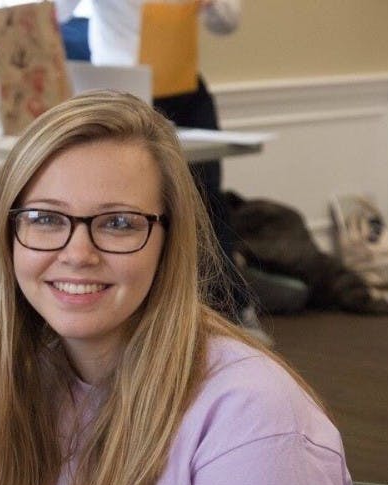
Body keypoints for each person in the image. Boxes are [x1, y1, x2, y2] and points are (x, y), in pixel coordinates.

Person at [0, 90, 388, 485]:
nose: (77, 252)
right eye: (45, 219)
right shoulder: (13, 388)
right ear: (9, 237)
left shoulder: (252, 419)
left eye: (119, 223)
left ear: (169, 240)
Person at [55, 0, 267, 342]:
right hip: (124, 91)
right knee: (130, 205)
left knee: (208, 199)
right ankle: (144, 317)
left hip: (186, 91)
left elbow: (227, 22)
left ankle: (230, 313)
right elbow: (53, 13)